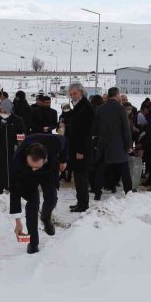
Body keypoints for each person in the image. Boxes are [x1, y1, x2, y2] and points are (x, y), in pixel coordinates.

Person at [10, 135, 68, 254]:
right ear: (27, 157)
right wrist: (17, 222)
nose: (34, 169)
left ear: (45, 158)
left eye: (37, 166)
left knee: (51, 198)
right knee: (33, 204)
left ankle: (46, 218)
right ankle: (33, 242)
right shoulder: (17, 161)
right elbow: (15, 192)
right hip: (27, 177)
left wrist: (63, 160)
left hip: (48, 172)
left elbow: (65, 142)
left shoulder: (55, 142)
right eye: (32, 165)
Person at [91, 87, 134, 200]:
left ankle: (97, 193)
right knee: (125, 170)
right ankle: (128, 191)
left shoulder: (100, 109)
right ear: (117, 95)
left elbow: (95, 128)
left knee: (100, 170)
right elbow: (126, 129)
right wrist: (129, 145)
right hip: (118, 145)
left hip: (103, 145)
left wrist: (96, 142)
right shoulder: (121, 109)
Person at [66, 83, 95, 212]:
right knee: (78, 178)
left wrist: (81, 150)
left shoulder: (86, 107)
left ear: (81, 93)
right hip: (76, 147)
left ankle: (83, 205)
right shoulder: (78, 106)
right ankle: (81, 202)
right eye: (71, 94)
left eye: (75, 94)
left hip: (81, 149)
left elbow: (86, 131)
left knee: (81, 178)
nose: (73, 96)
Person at [0, 99, 26, 194]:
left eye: (4, 111)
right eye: (1, 110)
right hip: (0, 149)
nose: (2, 112)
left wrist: (19, 143)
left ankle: (11, 186)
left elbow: (21, 134)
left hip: (12, 149)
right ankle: (0, 187)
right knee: (0, 169)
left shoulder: (18, 120)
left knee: (12, 168)